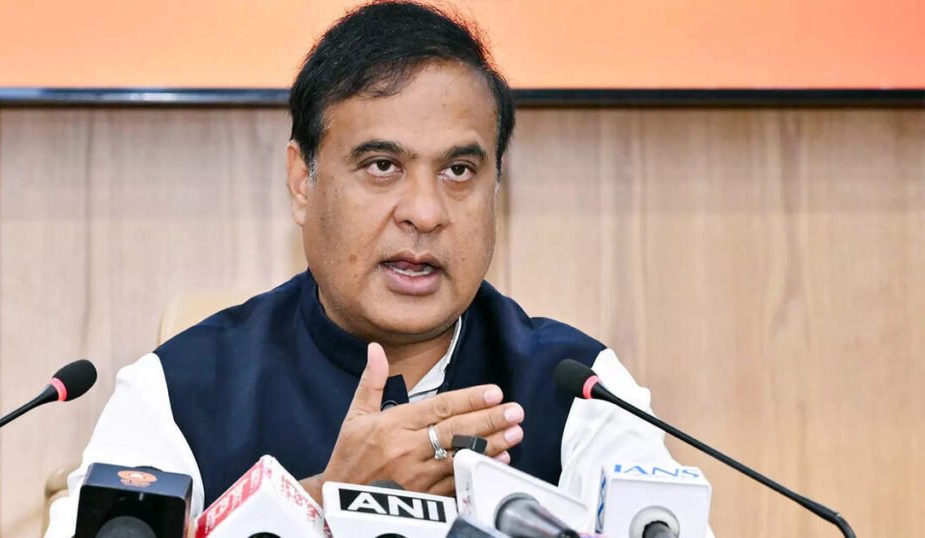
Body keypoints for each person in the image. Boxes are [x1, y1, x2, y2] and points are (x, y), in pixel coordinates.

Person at [46, 1, 701, 535]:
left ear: (497, 187)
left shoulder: (579, 391)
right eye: (382, 166)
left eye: (459, 171)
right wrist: (323, 502)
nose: (425, 212)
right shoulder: (181, 392)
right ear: (302, 181)